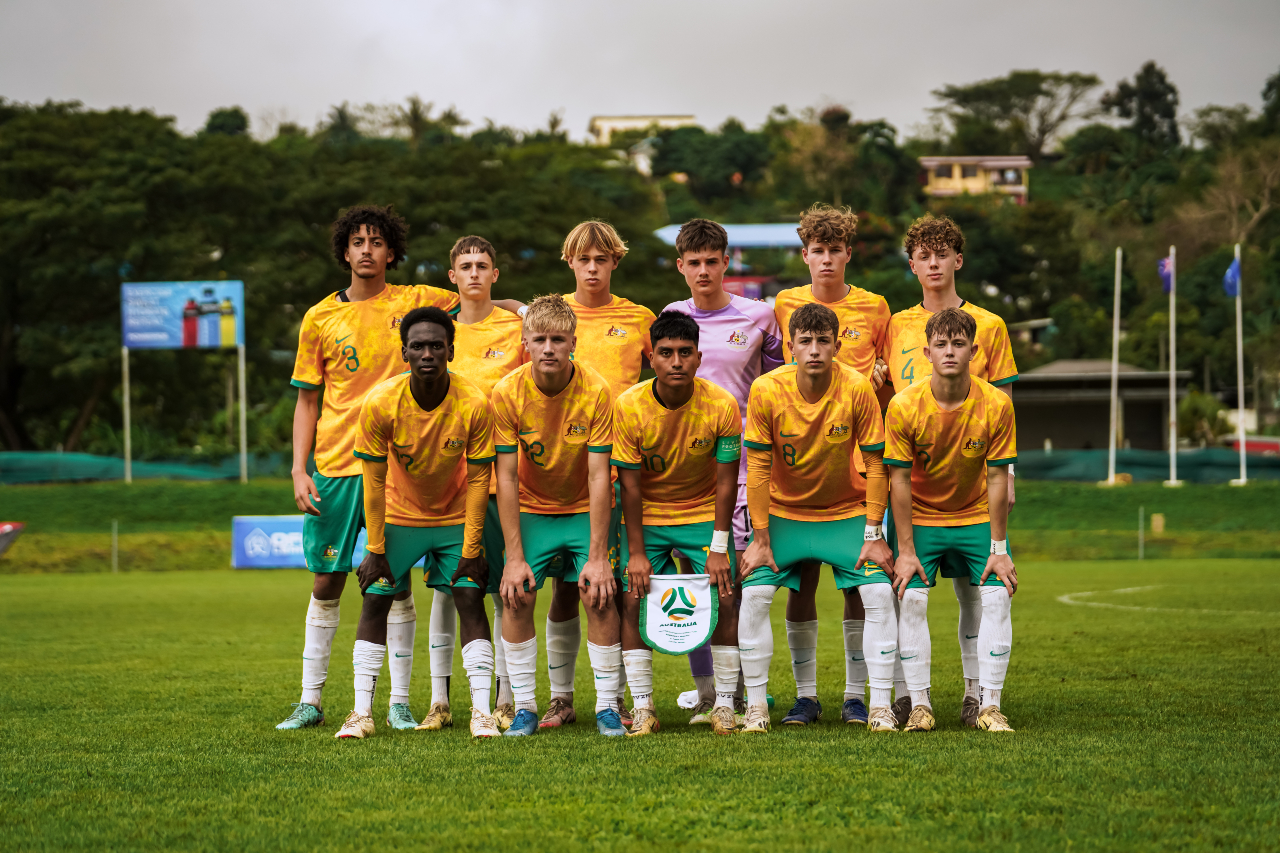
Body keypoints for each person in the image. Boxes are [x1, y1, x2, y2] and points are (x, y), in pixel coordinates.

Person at [278, 205, 457, 732]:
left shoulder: (413, 301)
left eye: (377, 242)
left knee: (394, 582)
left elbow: (477, 302)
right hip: (336, 467)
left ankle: (398, 703)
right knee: (326, 581)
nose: (366, 250)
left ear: (391, 251)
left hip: (399, 467)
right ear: (344, 250)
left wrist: (523, 307)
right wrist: (299, 470)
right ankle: (310, 700)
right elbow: (307, 400)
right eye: (357, 241)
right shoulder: (319, 317)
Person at [336, 307, 500, 739]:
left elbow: (479, 479)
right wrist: (374, 549)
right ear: (404, 352)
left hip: (454, 515)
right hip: (399, 515)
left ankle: (482, 714)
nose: (428, 353)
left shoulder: (474, 402)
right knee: (375, 599)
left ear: (451, 350)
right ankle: (361, 714)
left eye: (436, 345)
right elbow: (373, 482)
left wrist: (472, 549)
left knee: (470, 596)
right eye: (418, 346)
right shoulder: (380, 402)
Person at [737, 303, 899, 734]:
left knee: (878, 593)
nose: (814, 350)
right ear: (790, 347)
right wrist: (760, 537)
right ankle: (760, 708)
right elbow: (758, 468)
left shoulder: (857, 388)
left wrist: (874, 533)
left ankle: (874, 704)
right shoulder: (766, 389)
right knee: (755, 596)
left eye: (823, 341)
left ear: (836, 346)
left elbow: (876, 464)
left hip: (844, 512)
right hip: (783, 515)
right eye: (805, 341)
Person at [886, 213, 1018, 728]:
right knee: (906, 591)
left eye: (943, 254)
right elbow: (880, 387)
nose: (934, 263)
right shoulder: (895, 323)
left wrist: (1010, 476)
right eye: (924, 255)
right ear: (913, 265)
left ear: (958, 260)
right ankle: (909, 697)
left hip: (975, 483)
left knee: (975, 591)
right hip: (913, 484)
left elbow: (1003, 405)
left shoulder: (990, 325)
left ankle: (977, 696)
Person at [770, 204, 892, 727]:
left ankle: (856, 695)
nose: (826, 259)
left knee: (858, 586)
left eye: (834, 250)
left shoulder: (876, 307)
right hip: (798, 467)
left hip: (856, 470)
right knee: (801, 583)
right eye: (817, 250)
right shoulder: (784, 303)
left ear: (848, 254)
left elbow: (889, 374)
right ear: (805, 255)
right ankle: (806, 696)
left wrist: (881, 372)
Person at [660, 218, 783, 725]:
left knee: (738, 584)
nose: (704, 271)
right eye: (694, 263)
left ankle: (747, 693)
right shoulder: (671, 316)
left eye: (712, 261)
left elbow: (778, 389)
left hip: (745, 471)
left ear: (726, 262)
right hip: (686, 476)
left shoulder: (760, 317)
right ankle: (708, 692)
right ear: (681, 266)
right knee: (694, 585)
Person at [491, 295, 626, 737]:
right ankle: (525, 709)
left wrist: (598, 556)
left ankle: (607, 707)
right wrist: (514, 557)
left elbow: (599, 475)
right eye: (539, 339)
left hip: (584, 508)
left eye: (558, 339)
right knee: (517, 593)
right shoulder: (506, 392)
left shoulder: (597, 391)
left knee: (598, 593)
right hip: (532, 507)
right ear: (525, 343)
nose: (548, 348)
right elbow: (505, 477)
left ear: (573, 343)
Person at [541, 220, 655, 730]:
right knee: (564, 589)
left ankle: (619, 699)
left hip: (619, 471)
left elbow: (675, 370)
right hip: (558, 473)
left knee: (616, 589)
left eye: (601, 259)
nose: (592, 268)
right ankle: (561, 699)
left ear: (615, 262)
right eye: (583, 259)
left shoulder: (639, 318)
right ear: (570, 261)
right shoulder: (554, 316)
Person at [613, 311, 743, 736]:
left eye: (685, 352)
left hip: (702, 511)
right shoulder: (629, 406)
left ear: (699, 357)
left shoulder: (721, 404)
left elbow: (727, 483)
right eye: (666, 353)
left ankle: (725, 704)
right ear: (651, 358)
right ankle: (644, 706)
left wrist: (719, 548)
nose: (676, 361)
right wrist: (636, 554)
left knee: (727, 594)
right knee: (632, 596)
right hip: (648, 514)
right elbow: (629, 487)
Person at [420, 235, 528, 733]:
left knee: (506, 590)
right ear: (453, 277)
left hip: (501, 483)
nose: (474, 274)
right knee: (447, 591)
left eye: (482, 265)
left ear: (494, 274)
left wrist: (519, 307)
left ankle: (506, 697)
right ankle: (439, 700)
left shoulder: (516, 327)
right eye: (465, 266)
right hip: (448, 484)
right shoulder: (439, 333)